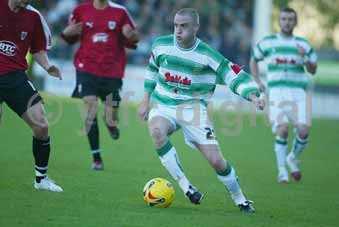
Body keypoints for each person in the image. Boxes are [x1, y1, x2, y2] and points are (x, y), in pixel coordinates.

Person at [138, 8, 265, 213]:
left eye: (184, 26)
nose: (178, 31)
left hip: (194, 110)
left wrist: (252, 95)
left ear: (196, 27)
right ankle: (187, 188)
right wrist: (145, 99)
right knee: (156, 131)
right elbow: (152, 69)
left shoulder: (207, 54)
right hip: (164, 105)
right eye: (176, 26)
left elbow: (232, 75)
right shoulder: (161, 44)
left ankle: (240, 199)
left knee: (216, 161)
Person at [61, 0, 139, 170]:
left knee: (111, 114)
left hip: (112, 71)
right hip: (86, 68)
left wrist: (131, 35)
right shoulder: (80, 10)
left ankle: (110, 123)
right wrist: (67, 32)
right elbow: (68, 37)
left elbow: (134, 38)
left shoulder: (120, 12)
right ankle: (96, 158)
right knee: (91, 108)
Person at [0, 0, 63, 192]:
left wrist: (47, 66)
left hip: (15, 77)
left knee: (41, 125)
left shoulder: (34, 17)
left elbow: (38, 48)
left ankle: (41, 179)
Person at [250, 7, 317, 183]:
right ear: (279, 21)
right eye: (284, 19)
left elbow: (313, 69)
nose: (287, 22)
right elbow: (253, 59)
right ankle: (282, 171)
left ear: (295, 22)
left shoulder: (303, 44)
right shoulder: (268, 42)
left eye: (290, 19)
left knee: (303, 131)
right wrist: (257, 80)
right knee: (283, 129)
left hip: (298, 92)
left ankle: (292, 157)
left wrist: (306, 59)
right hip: (277, 93)